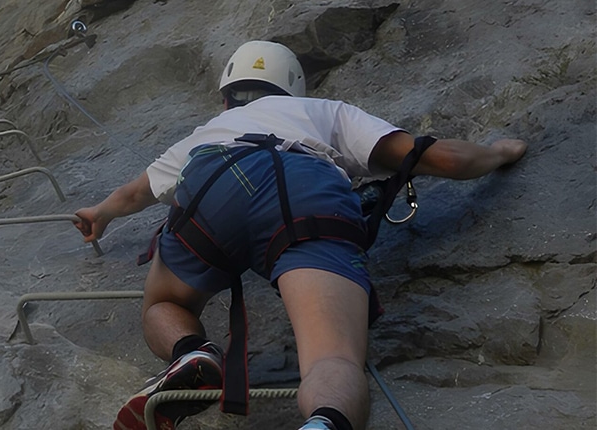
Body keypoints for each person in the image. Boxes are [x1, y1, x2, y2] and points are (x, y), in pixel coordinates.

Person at [72, 41, 528, 430]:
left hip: (211, 182)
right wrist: (498, 152)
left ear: (227, 98)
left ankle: (191, 352)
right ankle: (323, 421)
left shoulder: (206, 132)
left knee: (163, 304)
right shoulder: (323, 110)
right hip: (302, 189)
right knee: (332, 359)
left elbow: (134, 194)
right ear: (292, 87)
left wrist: (99, 214)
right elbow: (441, 159)